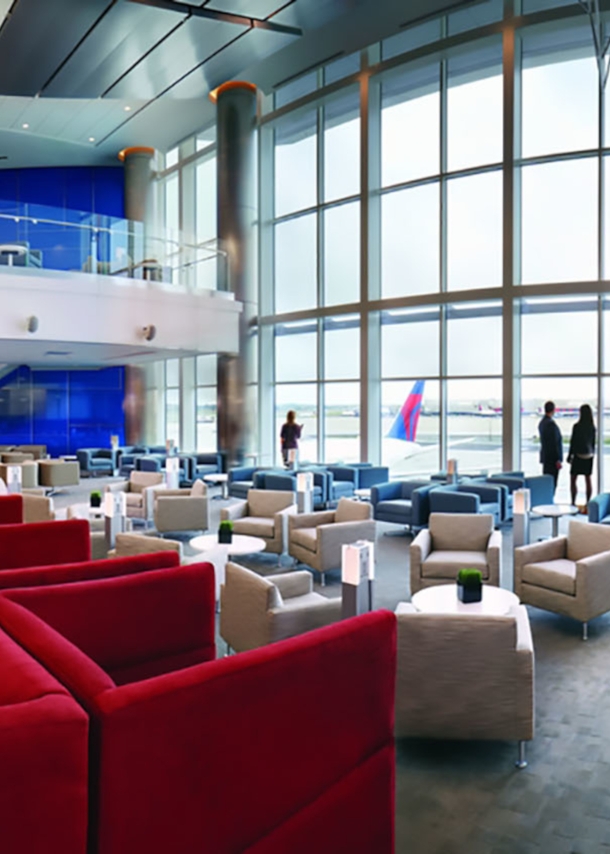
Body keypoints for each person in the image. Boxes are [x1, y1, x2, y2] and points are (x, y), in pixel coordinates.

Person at [567, 404, 596, 510]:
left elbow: (573, 442)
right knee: (588, 479)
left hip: (578, 455)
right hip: (589, 455)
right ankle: (587, 503)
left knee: (573, 479)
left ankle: (573, 502)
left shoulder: (577, 426)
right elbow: (593, 443)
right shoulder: (592, 427)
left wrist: (570, 456)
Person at [538, 401, 563, 493]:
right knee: (552, 483)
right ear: (553, 410)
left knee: (547, 482)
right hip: (552, 459)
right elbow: (554, 443)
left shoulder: (542, 423)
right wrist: (558, 459)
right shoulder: (551, 425)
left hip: (545, 457)